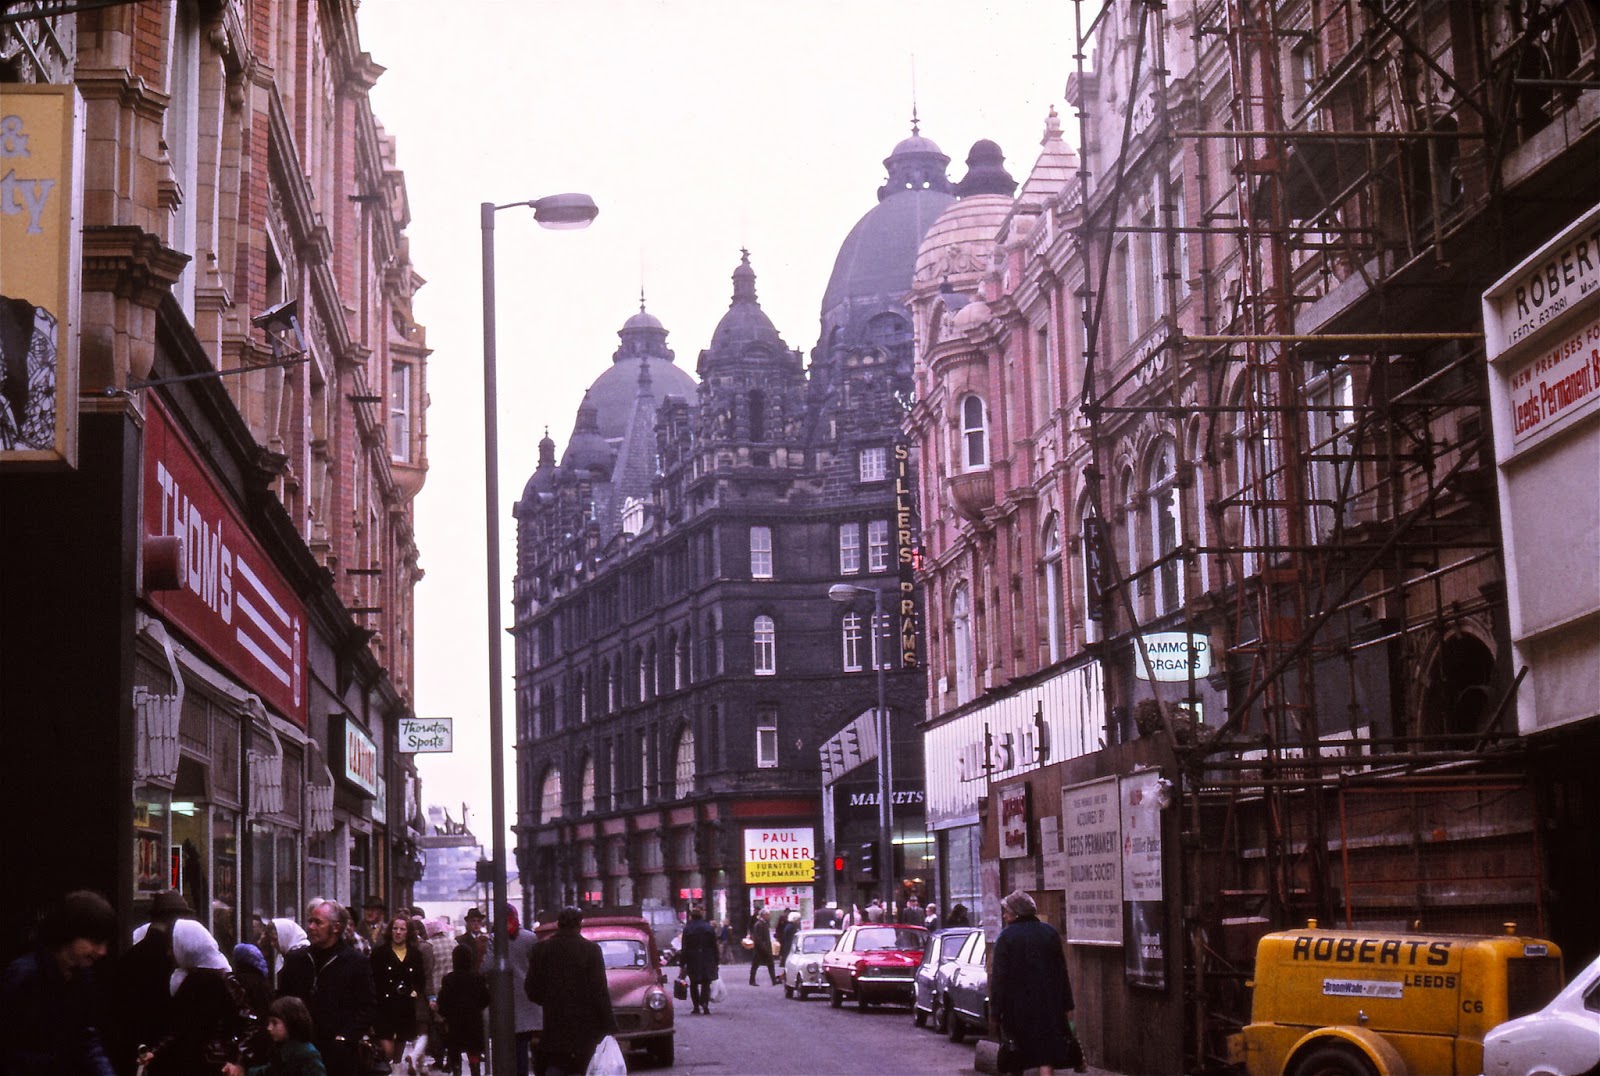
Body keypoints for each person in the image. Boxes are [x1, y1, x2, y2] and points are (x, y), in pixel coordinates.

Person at [0, 889, 117, 1075]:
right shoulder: (23, 976)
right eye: (95, 942)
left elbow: (86, 1037)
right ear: (69, 933)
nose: (102, 951)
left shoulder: (83, 978)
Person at [277, 900, 375, 1076]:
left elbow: (368, 1006)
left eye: (318, 922)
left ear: (336, 927)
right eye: (310, 921)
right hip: (300, 1052)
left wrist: (345, 1037)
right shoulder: (297, 960)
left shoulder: (355, 963)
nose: (311, 927)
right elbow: (282, 1000)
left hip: (338, 1055)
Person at [144, 918, 253, 1076]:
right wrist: (155, 1052)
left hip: (217, 1066)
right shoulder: (189, 978)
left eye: (172, 946)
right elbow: (180, 1026)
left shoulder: (222, 980)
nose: (170, 953)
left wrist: (239, 1062)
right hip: (197, 1063)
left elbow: (249, 1023)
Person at [990, 890, 1077, 1076]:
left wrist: (996, 1012)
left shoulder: (1006, 937)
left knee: (1017, 1056)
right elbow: (1061, 972)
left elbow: (999, 979)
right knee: (1046, 1056)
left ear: (1017, 913)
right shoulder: (1050, 933)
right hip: (1048, 1006)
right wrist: (1067, 1005)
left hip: (1017, 1008)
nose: (1004, 915)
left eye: (1007, 911)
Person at [523, 907, 616, 1076]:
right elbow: (600, 991)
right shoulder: (591, 950)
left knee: (556, 1063)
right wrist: (609, 1025)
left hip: (553, 1022)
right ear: (579, 925)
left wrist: (548, 1000)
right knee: (582, 1067)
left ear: (559, 924)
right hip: (585, 1025)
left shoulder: (541, 950)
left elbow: (531, 989)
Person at [113, 889, 192, 1074]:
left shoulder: (130, 957)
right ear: (175, 919)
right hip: (165, 1051)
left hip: (133, 1048)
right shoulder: (174, 958)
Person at [370, 914, 426, 1071]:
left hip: (405, 1006)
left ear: (408, 932)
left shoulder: (415, 954)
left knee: (400, 1046)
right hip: (384, 1006)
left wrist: (415, 991)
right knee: (387, 1050)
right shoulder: (379, 953)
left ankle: (396, 1071)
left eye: (402, 929)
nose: (398, 932)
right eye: (395, 928)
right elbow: (372, 979)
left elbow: (420, 978)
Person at [222, 995, 326, 1076]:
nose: (269, 1028)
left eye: (275, 1023)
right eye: (269, 1023)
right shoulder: (281, 1050)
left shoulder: (307, 1054)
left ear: (292, 1022)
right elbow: (268, 1072)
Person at [499, 904, 542, 1075]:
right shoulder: (530, 938)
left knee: (514, 1042)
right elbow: (537, 965)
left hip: (506, 998)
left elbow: (486, 966)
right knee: (529, 1040)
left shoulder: (495, 939)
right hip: (528, 994)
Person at [436, 944, 487, 1076]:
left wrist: (445, 1015)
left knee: (455, 1050)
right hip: (474, 1020)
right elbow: (486, 998)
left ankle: (457, 1070)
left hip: (455, 1022)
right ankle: (475, 1070)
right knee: (473, 1050)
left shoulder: (449, 979)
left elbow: (442, 1002)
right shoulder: (478, 978)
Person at [678, 907, 719, 1015]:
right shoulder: (709, 928)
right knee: (706, 983)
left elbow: (684, 947)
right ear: (701, 916)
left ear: (691, 916)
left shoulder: (688, 929)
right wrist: (716, 960)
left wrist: (682, 963)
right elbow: (714, 946)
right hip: (707, 958)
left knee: (694, 983)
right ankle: (705, 1004)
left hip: (693, 959)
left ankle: (696, 1006)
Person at [746, 908, 777, 986]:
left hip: (765, 948)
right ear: (763, 915)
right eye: (768, 915)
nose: (769, 916)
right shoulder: (759, 924)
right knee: (755, 965)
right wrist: (764, 947)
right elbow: (758, 938)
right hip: (760, 949)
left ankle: (774, 980)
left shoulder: (764, 923)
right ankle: (752, 980)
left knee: (770, 964)